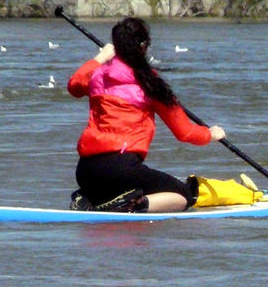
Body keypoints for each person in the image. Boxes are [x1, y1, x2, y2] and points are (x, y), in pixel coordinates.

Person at [67, 17, 225, 212]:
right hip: (121, 169)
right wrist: (211, 134)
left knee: (120, 182)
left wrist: (100, 57)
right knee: (183, 195)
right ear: (143, 47)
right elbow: (185, 133)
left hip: (85, 172)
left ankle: (88, 197)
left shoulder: (97, 75)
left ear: (115, 47)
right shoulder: (150, 83)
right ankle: (132, 205)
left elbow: (74, 85)